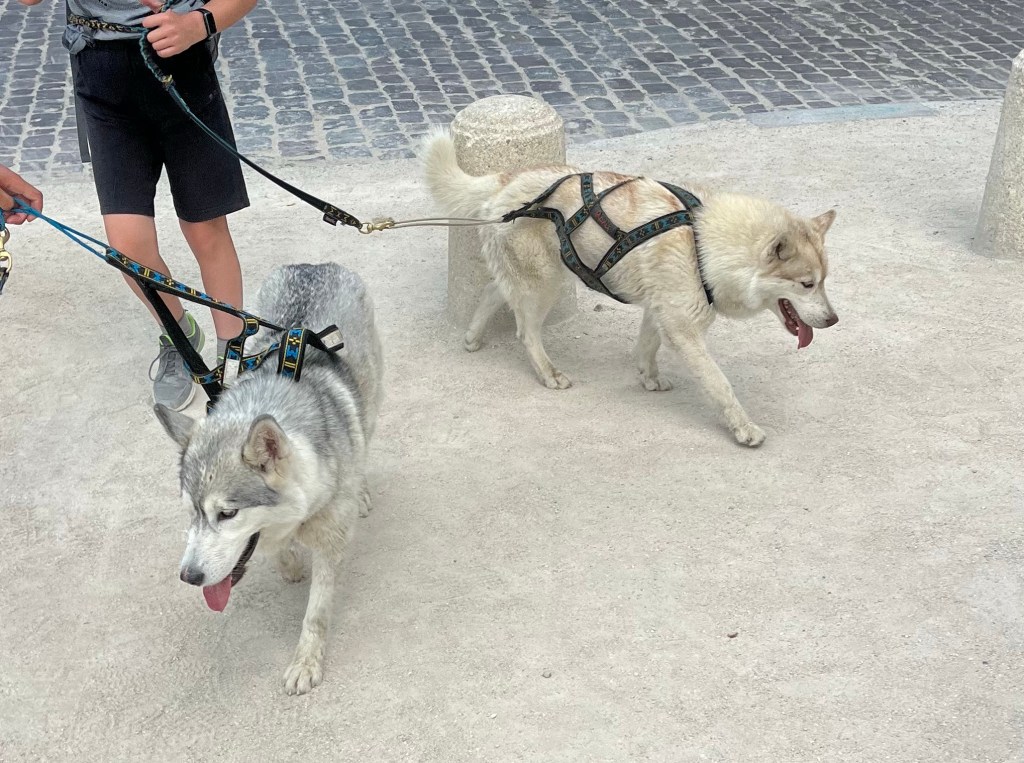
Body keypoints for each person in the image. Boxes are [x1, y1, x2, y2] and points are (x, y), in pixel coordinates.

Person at [19, 0, 257, 410]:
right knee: (128, 247)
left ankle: (234, 351)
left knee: (205, 229)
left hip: (181, 63)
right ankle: (179, 335)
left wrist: (200, 23)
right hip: (101, 72)